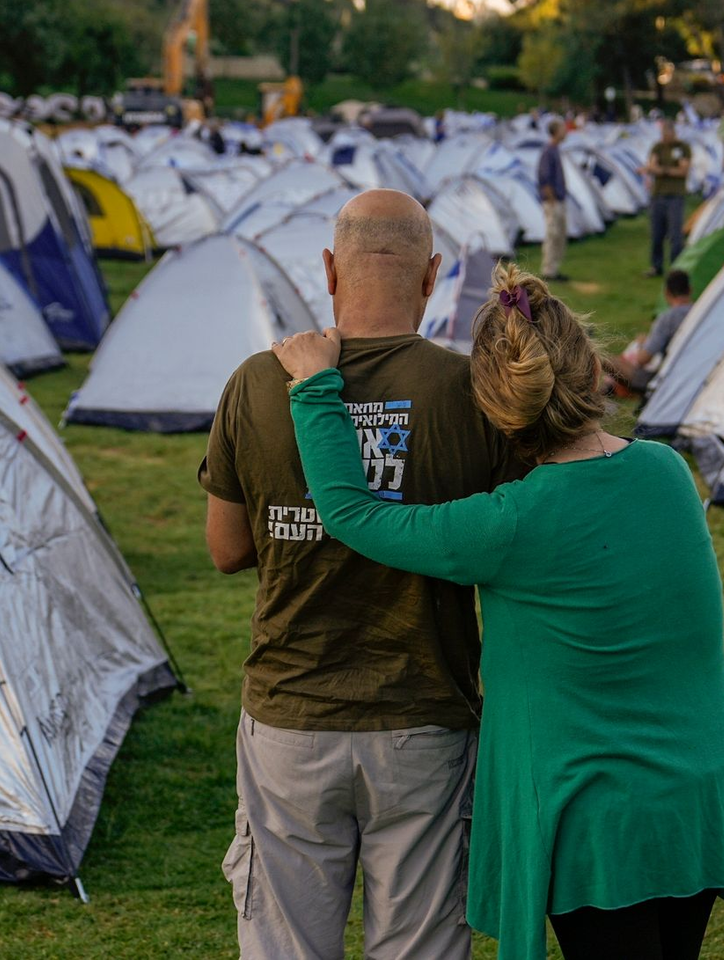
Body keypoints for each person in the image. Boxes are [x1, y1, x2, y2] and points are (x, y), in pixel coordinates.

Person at [271, 264, 724, 960]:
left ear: (494, 409)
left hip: (598, 821)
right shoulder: (668, 473)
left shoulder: (508, 524)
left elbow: (353, 513)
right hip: (701, 793)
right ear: (594, 369)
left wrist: (314, 388)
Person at [200, 189, 521, 960]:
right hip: (425, 716)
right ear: (433, 274)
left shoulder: (255, 381)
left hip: (291, 716)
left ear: (328, 269)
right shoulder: (470, 390)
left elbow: (225, 548)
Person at [611, 268, 694, 393]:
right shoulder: (700, 313)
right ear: (690, 290)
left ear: (666, 293)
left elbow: (643, 359)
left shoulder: (667, 319)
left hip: (667, 378)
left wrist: (640, 345)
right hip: (695, 372)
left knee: (609, 361)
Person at [644, 120, 691, 277]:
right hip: (658, 196)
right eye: (663, 135)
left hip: (675, 197)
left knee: (676, 235)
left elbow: (683, 171)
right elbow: (651, 167)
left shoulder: (682, 148)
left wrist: (661, 170)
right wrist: (670, 170)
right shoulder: (657, 147)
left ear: (673, 133)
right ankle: (656, 266)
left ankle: (676, 268)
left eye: (667, 135)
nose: (665, 138)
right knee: (657, 234)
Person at [537, 118, 569, 282]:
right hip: (553, 201)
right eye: (563, 128)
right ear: (556, 131)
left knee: (559, 236)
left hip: (559, 199)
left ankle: (554, 269)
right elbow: (544, 178)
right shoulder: (548, 151)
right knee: (552, 233)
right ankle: (548, 270)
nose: (566, 131)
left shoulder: (555, 150)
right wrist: (552, 200)